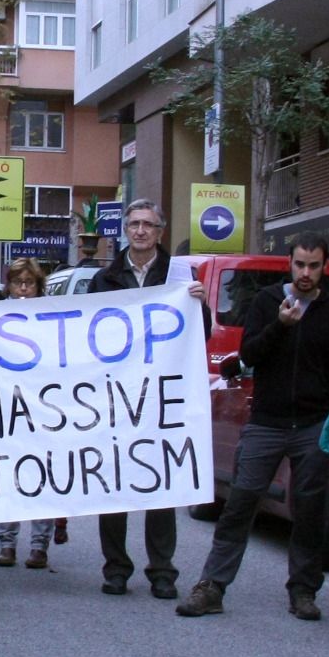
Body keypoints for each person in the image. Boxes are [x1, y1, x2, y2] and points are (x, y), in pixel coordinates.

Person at [177, 232, 329, 621]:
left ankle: (303, 590)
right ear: (289, 263)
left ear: (324, 267)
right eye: (300, 264)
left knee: (310, 509)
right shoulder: (267, 301)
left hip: (313, 424)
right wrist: (281, 325)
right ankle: (212, 585)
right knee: (240, 503)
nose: (306, 273)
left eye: (314, 266)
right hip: (267, 421)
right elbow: (250, 354)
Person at [91, 202, 186, 597]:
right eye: (134, 224)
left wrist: (197, 304)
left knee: (160, 484)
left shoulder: (180, 277)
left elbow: (200, 332)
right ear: (125, 230)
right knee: (113, 483)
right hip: (116, 395)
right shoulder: (104, 279)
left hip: (161, 396)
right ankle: (116, 569)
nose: (141, 230)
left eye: (149, 224)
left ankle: (162, 571)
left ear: (160, 231)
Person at [0, 258, 57, 571]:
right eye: (18, 282)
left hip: (44, 408)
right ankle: (6, 543)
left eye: (29, 283)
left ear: (38, 286)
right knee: (7, 474)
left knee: (43, 474)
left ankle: (39, 545)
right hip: (7, 408)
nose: (23, 289)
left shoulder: (51, 317)